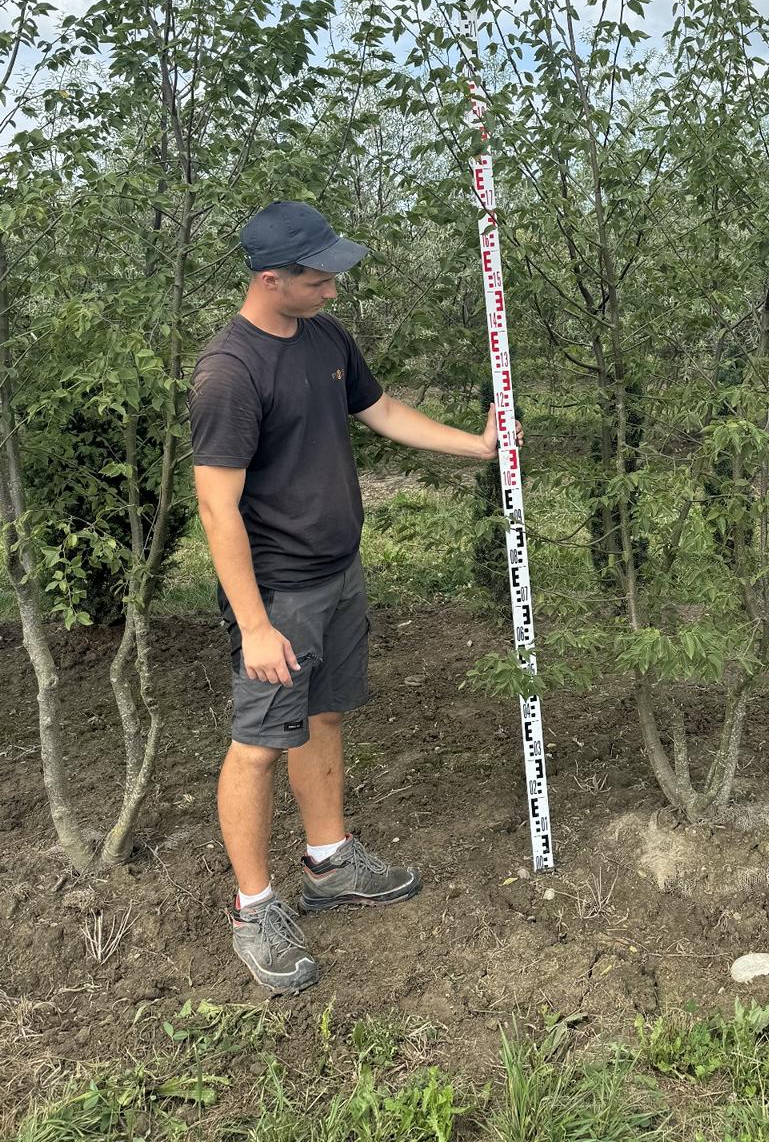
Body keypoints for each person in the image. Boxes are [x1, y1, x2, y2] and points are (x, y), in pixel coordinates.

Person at [188, 201, 520, 993]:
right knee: (261, 742)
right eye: (318, 277)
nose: (333, 289)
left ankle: (330, 862)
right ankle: (253, 907)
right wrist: (256, 623)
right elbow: (216, 507)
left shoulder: (325, 338)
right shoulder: (230, 373)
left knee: (324, 714)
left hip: (339, 572)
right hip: (279, 593)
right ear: (272, 280)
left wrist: (476, 446)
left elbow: (382, 412)